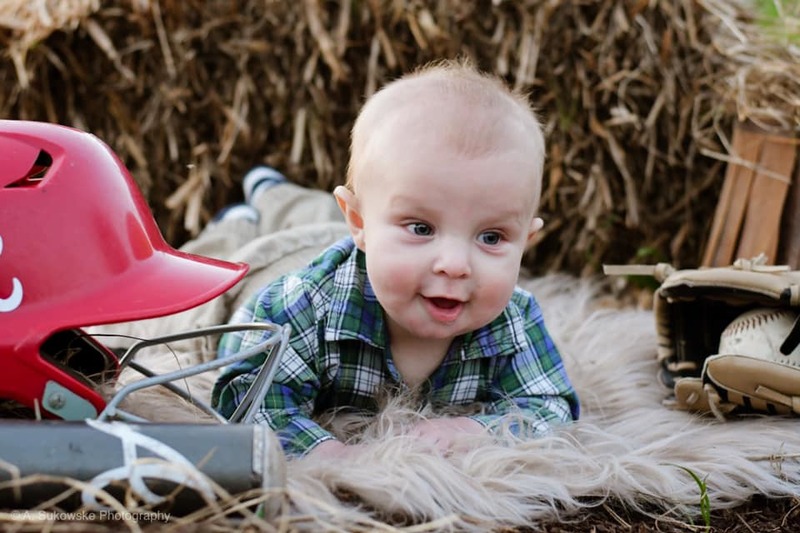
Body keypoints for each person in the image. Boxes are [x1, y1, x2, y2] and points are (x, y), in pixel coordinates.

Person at [211, 59, 580, 458]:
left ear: (526, 241)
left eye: (491, 236)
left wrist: (477, 429)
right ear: (357, 221)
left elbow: (550, 407)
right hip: (267, 260)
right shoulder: (297, 306)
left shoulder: (515, 320)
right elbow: (250, 399)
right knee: (226, 247)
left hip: (364, 240)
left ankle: (274, 191)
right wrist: (326, 455)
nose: (455, 265)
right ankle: (254, 203)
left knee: (317, 212)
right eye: (421, 227)